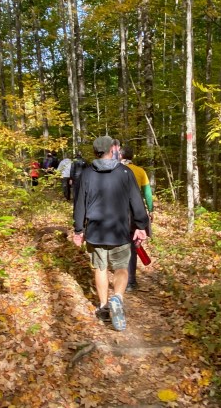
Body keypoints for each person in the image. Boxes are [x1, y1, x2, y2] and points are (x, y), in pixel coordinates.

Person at [73, 136, 149, 331]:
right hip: (120, 230)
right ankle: (118, 298)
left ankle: (104, 305)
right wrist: (141, 226)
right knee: (121, 267)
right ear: (112, 150)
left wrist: (78, 230)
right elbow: (136, 201)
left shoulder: (87, 174)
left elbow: (79, 203)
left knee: (100, 268)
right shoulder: (125, 172)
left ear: (94, 151)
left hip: (95, 231)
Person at [121, 146, 153, 292]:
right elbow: (147, 192)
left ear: (120, 155)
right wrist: (150, 209)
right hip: (135, 211)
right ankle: (131, 281)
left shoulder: (115, 170)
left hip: (118, 211)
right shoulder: (140, 171)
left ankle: (121, 277)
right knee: (133, 246)